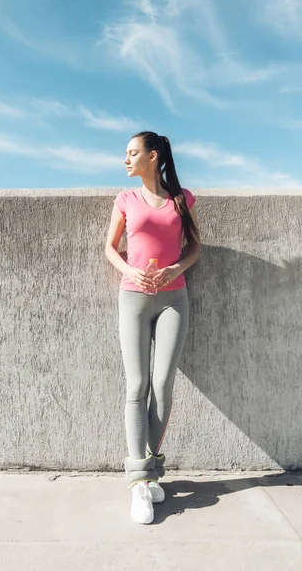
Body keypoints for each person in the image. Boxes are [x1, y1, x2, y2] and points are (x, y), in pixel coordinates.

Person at [105, 131, 202, 524]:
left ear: (153, 156)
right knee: (136, 385)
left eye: (132, 153)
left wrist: (175, 269)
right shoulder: (125, 200)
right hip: (133, 298)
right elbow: (110, 247)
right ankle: (139, 484)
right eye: (126, 154)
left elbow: (195, 247)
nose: (125, 160)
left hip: (174, 299)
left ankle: (147, 469)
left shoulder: (183, 199)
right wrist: (132, 271)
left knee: (162, 386)